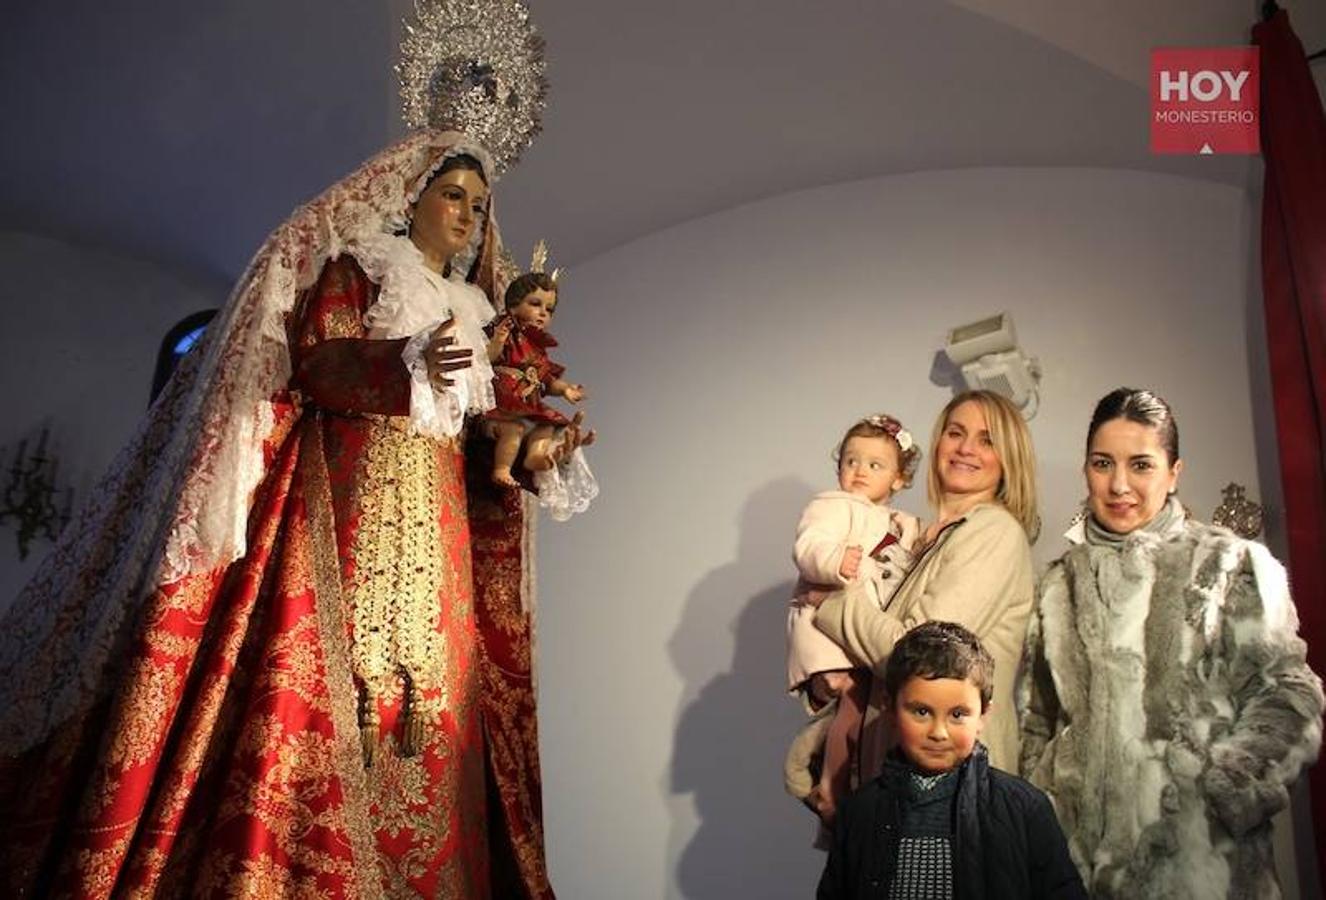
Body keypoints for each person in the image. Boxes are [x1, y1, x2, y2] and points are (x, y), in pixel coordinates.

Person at [0, 131, 564, 898]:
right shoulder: (359, 269)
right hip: (343, 509)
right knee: (317, 698)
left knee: (435, 712)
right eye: (452, 195)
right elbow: (320, 363)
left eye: (479, 203)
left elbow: (474, 431)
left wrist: (527, 456)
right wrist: (398, 362)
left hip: (440, 537)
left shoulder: (476, 311)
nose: (469, 214)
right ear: (411, 199)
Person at [1018, 387, 1325, 899]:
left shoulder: (1230, 565)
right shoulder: (1058, 584)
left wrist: (1226, 789)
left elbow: (1290, 692)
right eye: (1102, 463)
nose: (1119, 484)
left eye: (1141, 464)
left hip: (1200, 865)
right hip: (1076, 867)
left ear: (1173, 472)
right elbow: (1038, 722)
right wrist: (1045, 807)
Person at [809, 389, 1039, 779]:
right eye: (955, 433)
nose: (966, 448)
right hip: (895, 778)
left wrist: (830, 601)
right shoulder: (922, 537)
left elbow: (919, 654)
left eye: (987, 440)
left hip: (953, 790)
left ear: (1008, 459)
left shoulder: (994, 532)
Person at [818, 621, 1086, 899]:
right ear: (889, 707)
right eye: (921, 711)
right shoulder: (860, 812)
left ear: (983, 716)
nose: (938, 732)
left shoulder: (1024, 807)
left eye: (957, 714)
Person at [784, 414, 921, 825]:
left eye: (875, 465)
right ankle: (830, 789)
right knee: (856, 703)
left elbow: (908, 557)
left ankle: (814, 768)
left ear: (899, 479)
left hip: (855, 630)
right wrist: (833, 562)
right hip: (825, 627)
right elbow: (809, 546)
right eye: (851, 461)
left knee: (861, 711)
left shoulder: (900, 522)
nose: (860, 471)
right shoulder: (832, 506)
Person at [485, 270, 587, 486]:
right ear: (513, 305)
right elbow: (486, 360)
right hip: (502, 401)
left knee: (548, 426)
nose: (542, 313)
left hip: (526, 404)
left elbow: (548, 380)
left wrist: (566, 389)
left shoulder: (538, 348)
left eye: (549, 310)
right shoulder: (507, 332)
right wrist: (497, 342)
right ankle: (501, 469)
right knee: (514, 430)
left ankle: (536, 456)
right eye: (535, 304)